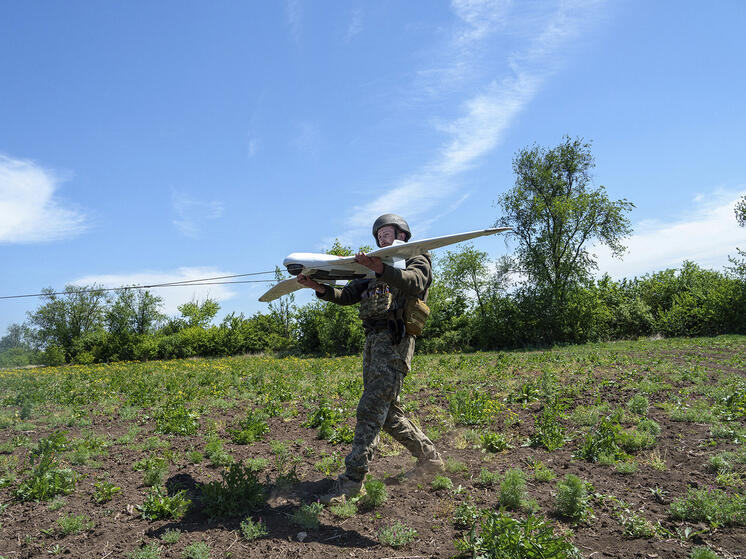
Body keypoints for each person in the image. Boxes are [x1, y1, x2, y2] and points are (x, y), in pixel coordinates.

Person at [297, 213, 444, 504]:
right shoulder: (372, 266)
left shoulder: (416, 256)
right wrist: (321, 289)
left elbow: (416, 282)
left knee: (370, 408)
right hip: (373, 343)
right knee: (387, 415)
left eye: (387, 232)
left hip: (395, 340)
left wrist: (382, 270)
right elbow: (348, 295)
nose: (382, 237)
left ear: (401, 233)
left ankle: (352, 482)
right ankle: (432, 460)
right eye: (378, 234)